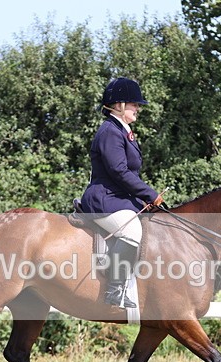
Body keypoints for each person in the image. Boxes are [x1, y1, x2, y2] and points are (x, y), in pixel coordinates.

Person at [79, 77, 163, 308]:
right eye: (134, 104)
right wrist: (149, 194)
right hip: (104, 198)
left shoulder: (123, 131)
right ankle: (114, 291)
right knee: (132, 232)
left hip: (120, 198)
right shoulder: (110, 131)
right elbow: (119, 171)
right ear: (118, 105)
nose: (138, 108)